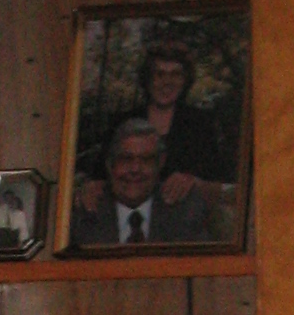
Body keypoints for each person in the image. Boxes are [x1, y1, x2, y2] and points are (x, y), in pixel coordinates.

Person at [76, 41, 229, 228]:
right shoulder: (121, 123)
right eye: (160, 74)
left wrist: (194, 182)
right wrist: (93, 187)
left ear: (185, 80)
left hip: (183, 223)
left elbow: (220, 184)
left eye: (175, 74)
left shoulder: (201, 124)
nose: (167, 82)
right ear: (148, 79)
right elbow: (101, 176)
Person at [69, 122, 210, 247]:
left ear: (160, 163)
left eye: (146, 160)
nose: (135, 169)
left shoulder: (186, 211)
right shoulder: (83, 213)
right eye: (126, 159)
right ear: (110, 164)